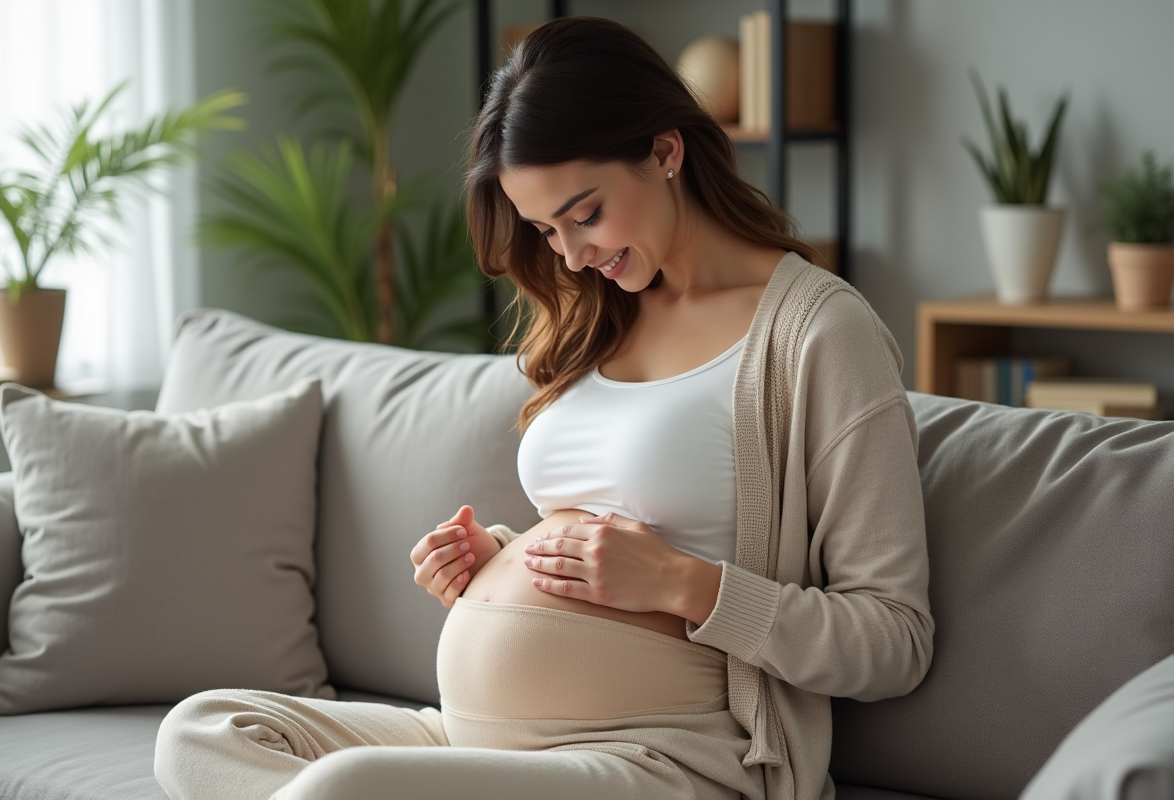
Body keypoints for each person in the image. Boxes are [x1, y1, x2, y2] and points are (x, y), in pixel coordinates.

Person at [153, 16, 933, 800]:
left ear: (665, 152)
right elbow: (598, 527)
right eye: (544, 229)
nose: (570, 256)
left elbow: (893, 641)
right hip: (478, 738)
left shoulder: (818, 333)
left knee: (338, 790)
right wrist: (497, 555)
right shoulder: (596, 318)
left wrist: (683, 583)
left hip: (662, 757)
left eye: (585, 214)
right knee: (202, 731)